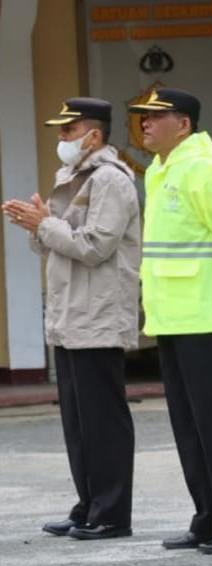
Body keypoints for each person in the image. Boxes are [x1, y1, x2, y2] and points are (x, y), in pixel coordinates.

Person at [128, 88, 212, 555]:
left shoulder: (204, 169)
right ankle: (207, 517)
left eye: (154, 117)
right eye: (141, 118)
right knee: (188, 425)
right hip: (171, 319)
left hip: (205, 317)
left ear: (182, 124)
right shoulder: (162, 172)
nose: (144, 124)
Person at [3, 98, 140, 540]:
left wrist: (44, 225)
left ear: (94, 136)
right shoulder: (72, 177)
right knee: (78, 422)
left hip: (97, 314)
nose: (61, 139)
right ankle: (88, 505)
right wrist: (37, 225)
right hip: (69, 314)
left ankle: (113, 513)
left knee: (103, 419)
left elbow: (95, 246)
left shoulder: (111, 180)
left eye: (68, 131)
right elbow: (57, 243)